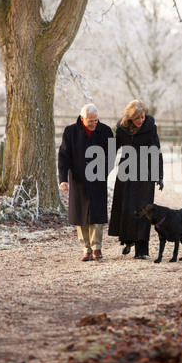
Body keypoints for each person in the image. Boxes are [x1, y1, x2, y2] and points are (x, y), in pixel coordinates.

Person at [108, 100, 163, 259]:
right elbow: (113, 150)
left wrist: (159, 175)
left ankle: (142, 250)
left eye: (143, 117)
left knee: (144, 210)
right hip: (125, 172)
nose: (141, 120)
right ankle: (127, 241)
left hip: (145, 174)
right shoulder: (122, 128)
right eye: (137, 118)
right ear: (130, 117)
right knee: (126, 208)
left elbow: (156, 151)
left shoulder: (150, 128)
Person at [58, 104, 113, 261]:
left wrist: (103, 172)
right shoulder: (70, 132)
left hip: (98, 179)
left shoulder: (106, 131)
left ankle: (97, 248)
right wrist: (63, 179)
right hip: (78, 179)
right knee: (81, 214)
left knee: (96, 213)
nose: (94, 124)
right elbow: (63, 156)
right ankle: (86, 249)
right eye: (90, 121)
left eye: (96, 120)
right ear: (82, 118)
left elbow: (111, 155)